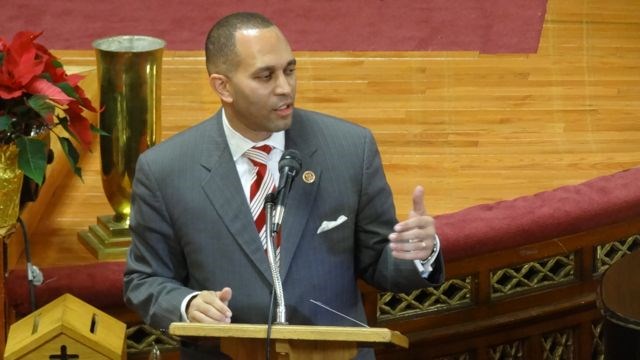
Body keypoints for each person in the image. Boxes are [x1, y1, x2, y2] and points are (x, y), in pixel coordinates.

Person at [123, 12, 444, 359]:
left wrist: (419, 253)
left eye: (289, 70)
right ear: (223, 86)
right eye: (265, 76)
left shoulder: (350, 149)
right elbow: (145, 280)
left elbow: (379, 262)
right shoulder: (166, 169)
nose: (284, 87)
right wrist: (187, 305)